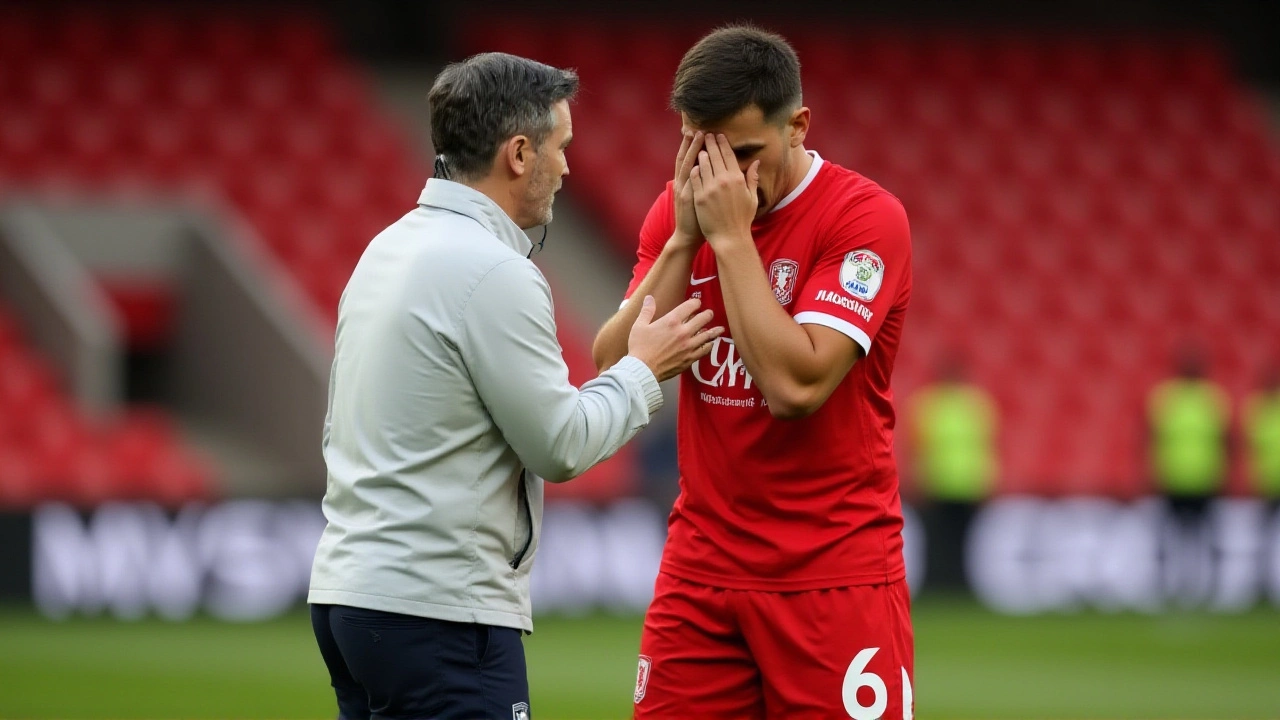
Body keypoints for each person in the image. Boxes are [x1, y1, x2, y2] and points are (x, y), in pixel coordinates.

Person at [308, 52, 723, 720]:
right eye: (560, 147)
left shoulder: (386, 248)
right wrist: (642, 369)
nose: (568, 167)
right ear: (520, 153)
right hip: (438, 611)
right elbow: (558, 445)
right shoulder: (492, 269)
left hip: (348, 595)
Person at [592, 25, 914, 719]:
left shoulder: (864, 220)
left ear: (798, 126)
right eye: (699, 152)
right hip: (702, 568)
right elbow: (613, 365)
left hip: (832, 574)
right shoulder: (684, 214)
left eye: (743, 153)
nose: (723, 181)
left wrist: (731, 239)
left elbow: (796, 387)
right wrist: (683, 239)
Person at [1147, 347, 1230, 605]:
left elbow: (1227, 440)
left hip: (1205, 481)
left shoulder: (1213, 399)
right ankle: (1166, 588)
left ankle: (1210, 589)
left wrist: (1225, 473)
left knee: (1207, 539)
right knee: (1169, 540)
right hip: (1172, 480)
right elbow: (1150, 438)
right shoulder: (1166, 398)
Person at [908, 356, 998, 590]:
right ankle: (952, 584)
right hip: (951, 483)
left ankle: (950, 584)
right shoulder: (975, 404)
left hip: (955, 483)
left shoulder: (929, 404)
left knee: (953, 540)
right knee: (948, 539)